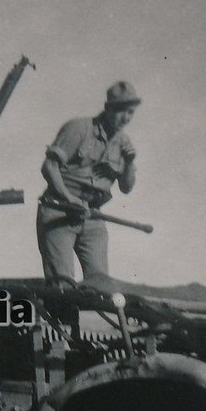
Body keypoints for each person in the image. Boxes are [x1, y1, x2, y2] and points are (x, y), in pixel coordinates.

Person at [37, 80, 140, 282]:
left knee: (100, 285)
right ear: (107, 108)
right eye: (120, 111)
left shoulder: (124, 143)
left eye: (130, 112)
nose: (125, 118)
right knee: (62, 286)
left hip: (93, 216)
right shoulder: (78, 128)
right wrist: (68, 198)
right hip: (60, 210)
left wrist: (128, 163)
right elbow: (49, 167)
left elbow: (126, 188)